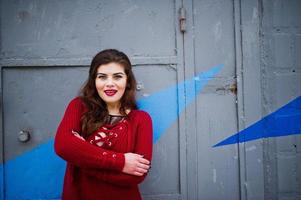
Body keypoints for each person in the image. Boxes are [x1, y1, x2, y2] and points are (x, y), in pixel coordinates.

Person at [54, 49, 153, 200]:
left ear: (127, 81)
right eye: (102, 77)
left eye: (117, 77)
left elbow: (136, 177)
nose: (109, 84)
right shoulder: (79, 107)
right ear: (94, 81)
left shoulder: (141, 119)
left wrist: (81, 157)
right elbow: (63, 146)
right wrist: (121, 162)